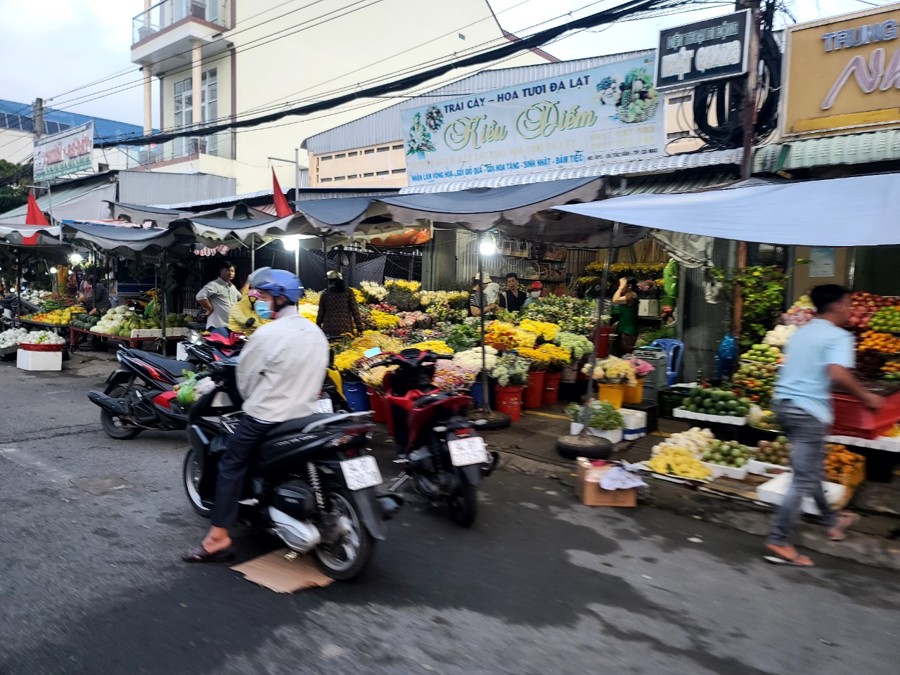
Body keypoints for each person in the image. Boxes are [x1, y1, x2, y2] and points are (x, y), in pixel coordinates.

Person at [183, 269, 329, 563]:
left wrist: (254, 396)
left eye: (262, 297)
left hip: (266, 416)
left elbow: (245, 382)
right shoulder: (316, 333)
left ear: (279, 299)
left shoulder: (267, 334)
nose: (258, 301)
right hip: (305, 416)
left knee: (230, 463)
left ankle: (218, 537)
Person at [765, 284, 883, 568]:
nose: (850, 309)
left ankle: (831, 521)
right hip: (807, 411)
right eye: (848, 303)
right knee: (804, 478)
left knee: (811, 469)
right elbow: (837, 373)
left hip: (784, 405)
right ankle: (780, 539)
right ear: (839, 305)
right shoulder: (839, 336)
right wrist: (867, 396)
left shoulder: (803, 331)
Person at [316, 270, 364, 337]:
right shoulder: (348, 292)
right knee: (346, 346)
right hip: (345, 328)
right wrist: (360, 328)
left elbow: (320, 313)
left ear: (329, 281)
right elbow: (355, 311)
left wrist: (317, 327)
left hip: (329, 328)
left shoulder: (325, 293)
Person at [196, 260, 240, 329]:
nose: (231, 273)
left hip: (231, 326)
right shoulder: (214, 285)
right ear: (221, 271)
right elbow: (200, 296)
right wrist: (209, 308)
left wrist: (248, 283)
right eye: (228, 270)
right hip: (217, 326)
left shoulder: (232, 287)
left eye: (232, 271)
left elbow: (240, 297)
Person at [228, 267, 271, 335]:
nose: (260, 301)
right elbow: (244, 321)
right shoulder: (237, 307)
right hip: (238, 338)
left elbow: (265, 320)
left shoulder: (257, 309)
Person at [612, 276, 639, 355]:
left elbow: (615, 300)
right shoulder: (629, 295)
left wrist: (620, 288)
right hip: (624, 330)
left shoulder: (631, 296)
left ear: (629, 286)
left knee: (626, 355)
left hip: (628, 332)